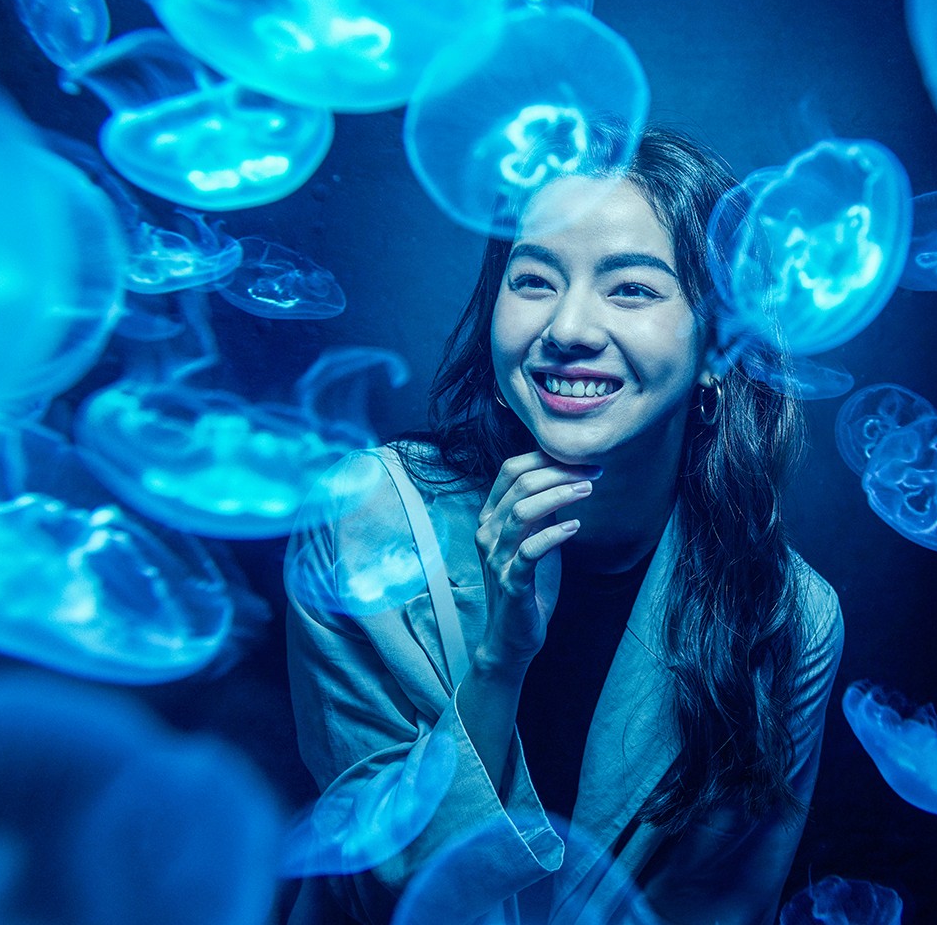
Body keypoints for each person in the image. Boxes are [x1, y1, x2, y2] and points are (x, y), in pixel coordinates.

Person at [284, 123, 844, 925]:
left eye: (632, 290)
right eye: (536, 279)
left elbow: (716, 909)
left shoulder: (791, 617)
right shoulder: (366, 519)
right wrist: (498, 660)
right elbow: (382, 887)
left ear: (721, 346)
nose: (571, 329)